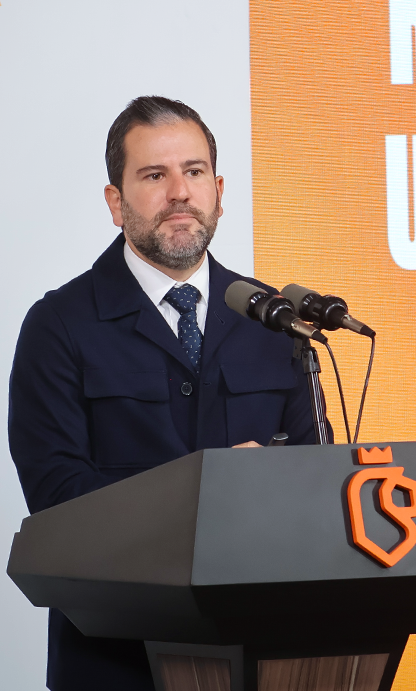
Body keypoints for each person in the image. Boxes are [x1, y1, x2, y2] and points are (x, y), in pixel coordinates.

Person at [8, 96, 327, 691]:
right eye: (155, 175)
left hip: (264, 652)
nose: (180, 192)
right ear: (116, 202)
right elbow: (58, 503)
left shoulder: (274, 321)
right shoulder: (59, 326)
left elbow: (316, 482)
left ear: (219, 192)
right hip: (113, 662)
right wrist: (213, 494)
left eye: (194, 171)